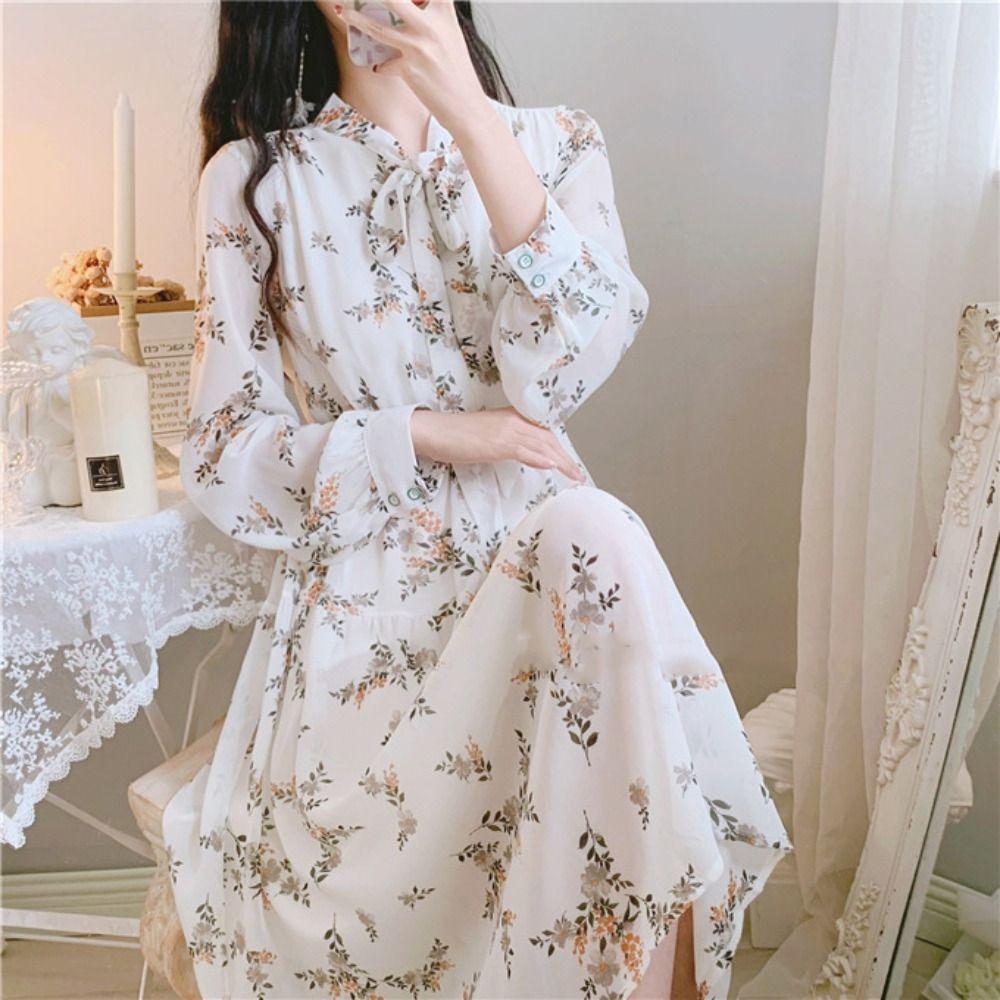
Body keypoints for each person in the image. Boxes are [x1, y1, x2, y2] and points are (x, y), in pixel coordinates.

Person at [162, 2, 793, 997]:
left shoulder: (557, 144)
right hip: (372, 597)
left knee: (592, 533)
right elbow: (226, 452)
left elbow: (569, 363)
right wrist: (422, 432)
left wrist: (469, 116)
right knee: (596, 553)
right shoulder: (257, 179)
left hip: (547, 562)